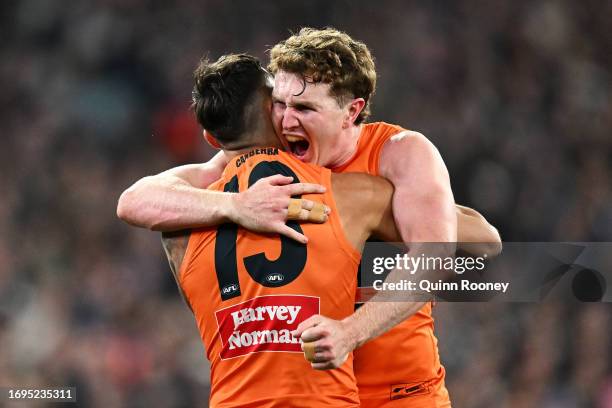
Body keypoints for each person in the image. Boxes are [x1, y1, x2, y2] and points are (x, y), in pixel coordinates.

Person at [117, 28, 501, 407]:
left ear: (351, 111)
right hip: (322, 394)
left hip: (401, 395)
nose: (285, 121)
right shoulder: (268, 154)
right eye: (280, 104)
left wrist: (351, 331)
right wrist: (237, 206)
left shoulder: (398, 154)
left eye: (304, 108)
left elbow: (452, 250)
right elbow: (137, 200)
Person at [160, 53, 399, 407]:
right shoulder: (348, 193)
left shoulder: (177, 229)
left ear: (211, 139)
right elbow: (474, 239)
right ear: (276, 112)